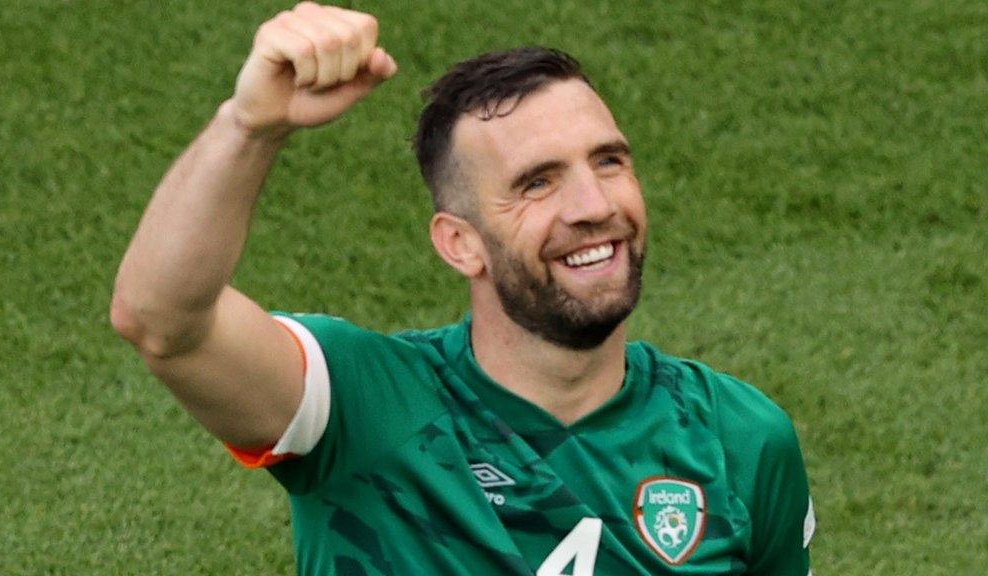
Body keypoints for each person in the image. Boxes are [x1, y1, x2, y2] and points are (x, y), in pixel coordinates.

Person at [111, 3, 816, 574]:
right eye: (536, 182)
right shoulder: (362, 408)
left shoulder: (740, 441)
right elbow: (163, 322)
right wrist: (248, 127)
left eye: (607, 162)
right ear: (460, 243)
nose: (592, 205)